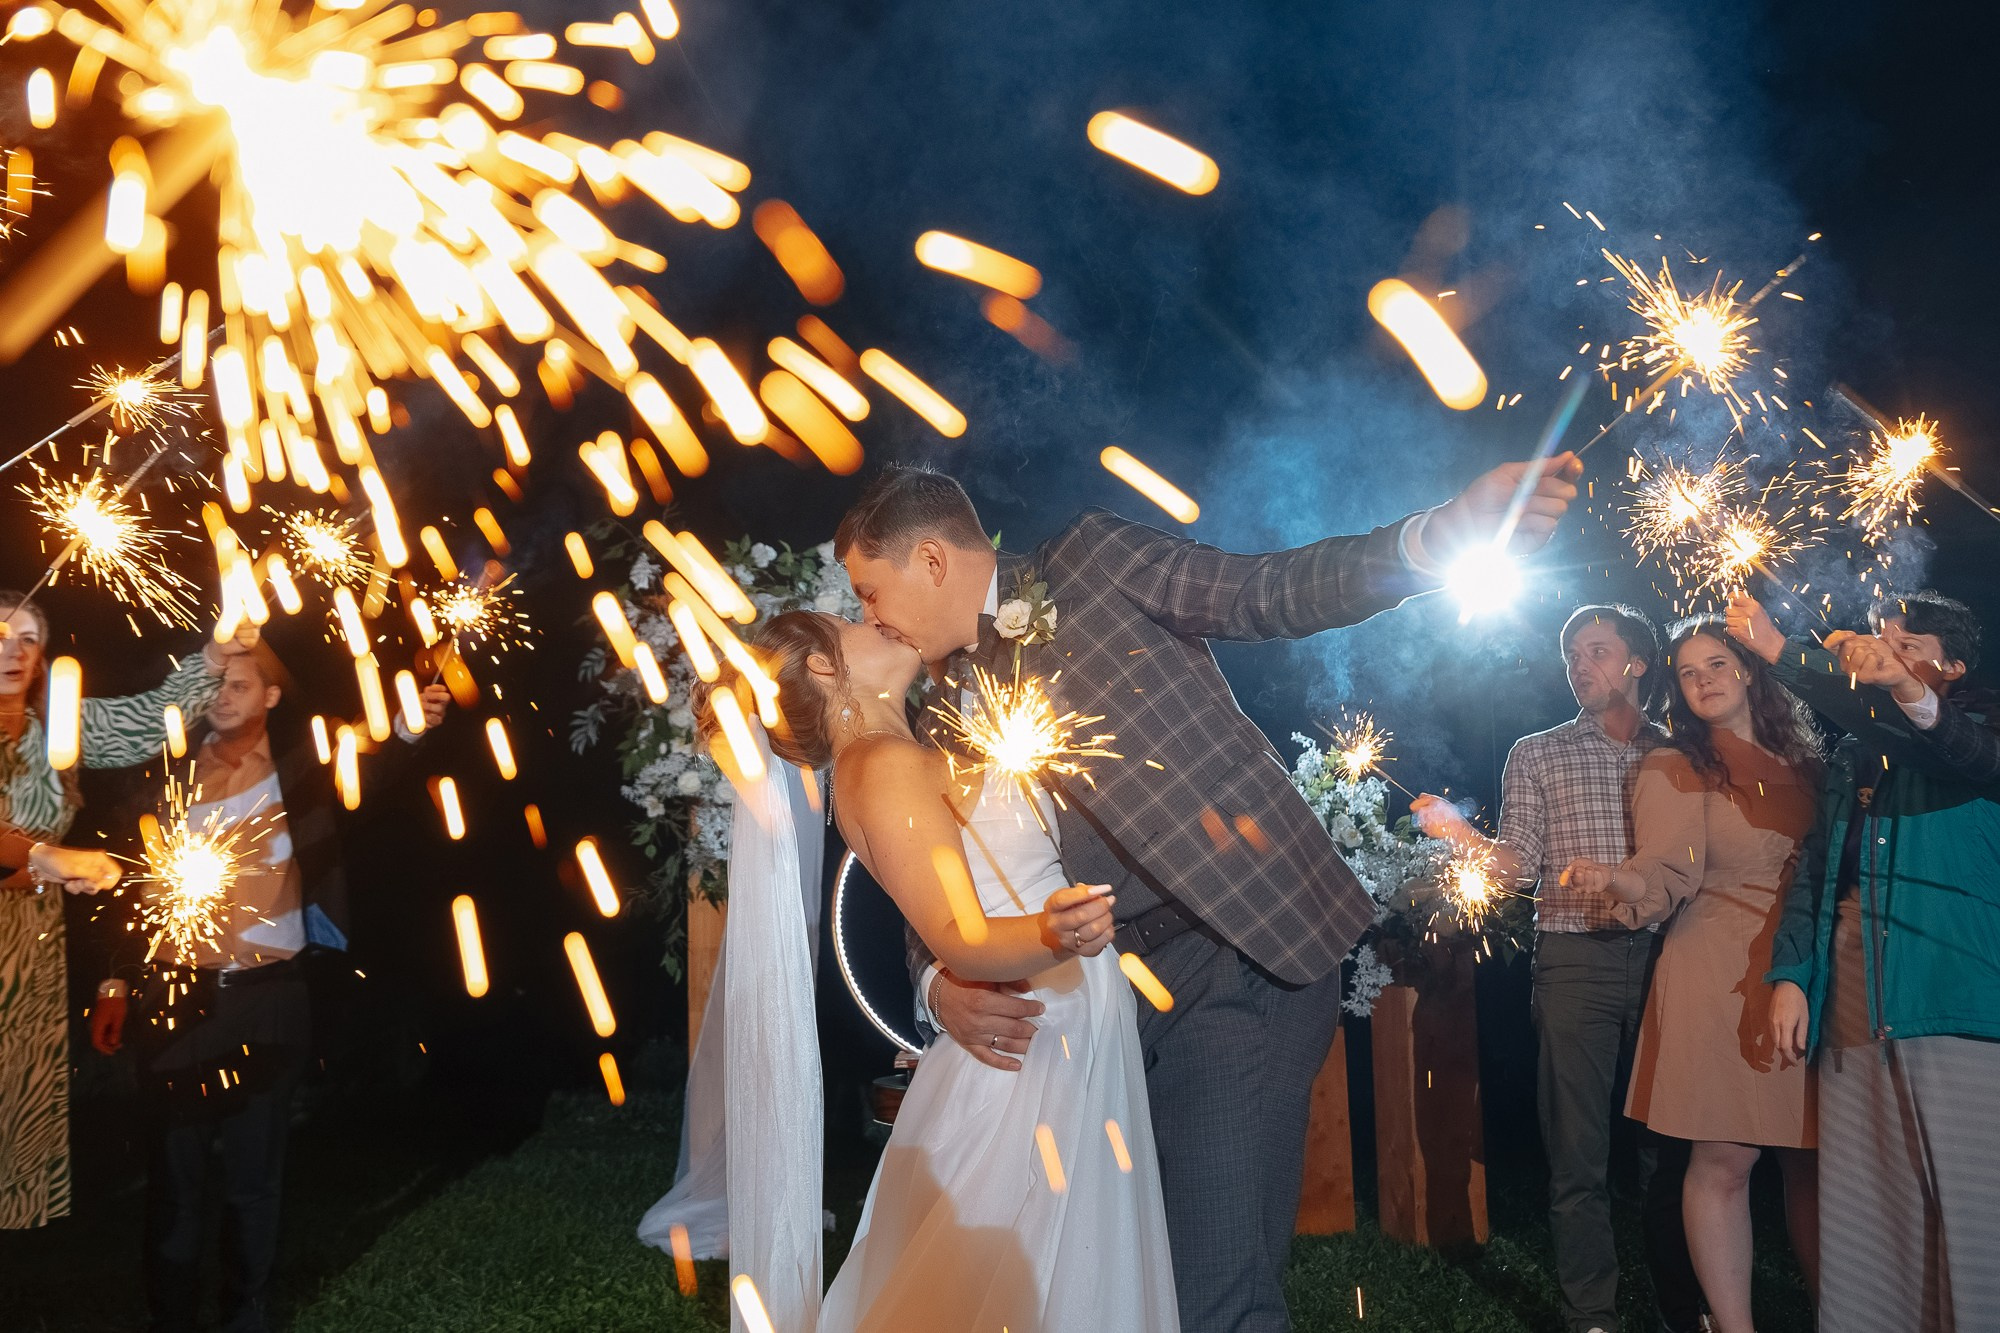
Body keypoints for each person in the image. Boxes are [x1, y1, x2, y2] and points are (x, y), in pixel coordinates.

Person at [840, 453, 1580, 1331]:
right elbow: (933, 874)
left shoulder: (1089, 558)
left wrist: (1433, 537)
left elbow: (1266, 591)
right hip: (1101, 999)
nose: (867, 615)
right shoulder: (940, 705)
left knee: (1211, 1287)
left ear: (929, 560)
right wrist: (937, 980)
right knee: (1113, 1270)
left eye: (868, 589)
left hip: (1238, 949)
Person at [707, 610, 1174, 1331]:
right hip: (1028, 1037)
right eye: (850, 619)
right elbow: (959, 934)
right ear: (827, 668)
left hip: (1055, 1019)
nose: (877, 618)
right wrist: (1053, 929)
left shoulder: (916, 746)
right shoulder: (879, 767)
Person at [89, 643, 449, 1333]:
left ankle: (247, 1315)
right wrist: (113, 980)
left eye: (241, 684)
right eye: (215, 684)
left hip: (270, 997)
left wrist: (407, 724)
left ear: (273, 697)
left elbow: (366, 769)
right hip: (175, 1000)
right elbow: (125, 883)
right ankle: (170, 1316)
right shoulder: (164, 777)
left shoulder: (301, 774)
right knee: (175, 1181)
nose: (222, 695)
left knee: (255, 1180)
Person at [1414, 604, 1702, 1333]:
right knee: (1578, 1157)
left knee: (1669, 1154)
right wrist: (1460, 833)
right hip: (1574, 958)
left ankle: (1681, 1310)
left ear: (1636, 662)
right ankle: (1592, 1317)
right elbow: (1516, 869)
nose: (1579, 665)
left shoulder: (1685, 750)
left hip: (1675, 957)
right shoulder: (1536, 752)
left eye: (1597, 651)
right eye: (1571, 653)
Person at [1727, 588, 2000, 1332]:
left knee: (1978, 1226)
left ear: (1952, 665)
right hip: (1854, 1005)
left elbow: (1966, 751)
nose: (1881, 661)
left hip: (1959, 1001)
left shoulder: (1982, 722)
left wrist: (1788, 654)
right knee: (1872, 1228)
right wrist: (1792, 976)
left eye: (1905, 647)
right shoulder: (1855, 752)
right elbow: (1817, 871)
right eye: (1877, 646)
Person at [1562, 617, 1823, 1333]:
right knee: (1725, 1158)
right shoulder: (1675, 763)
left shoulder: (1808, 757)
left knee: (1813, 1161)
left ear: (1749, 668)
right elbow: (1668, 867)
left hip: (1812, 971)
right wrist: (1619, 879)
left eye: (1716, 662)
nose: (1702, 678)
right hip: (1720, 973)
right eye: (1687, 671)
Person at [1, 590, 253, 1232]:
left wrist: (213, 659)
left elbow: (148, 720)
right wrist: (44, 858)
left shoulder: (53, 723)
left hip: (25, 954)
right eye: (0, 634)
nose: (13, 650)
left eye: (28, 638)